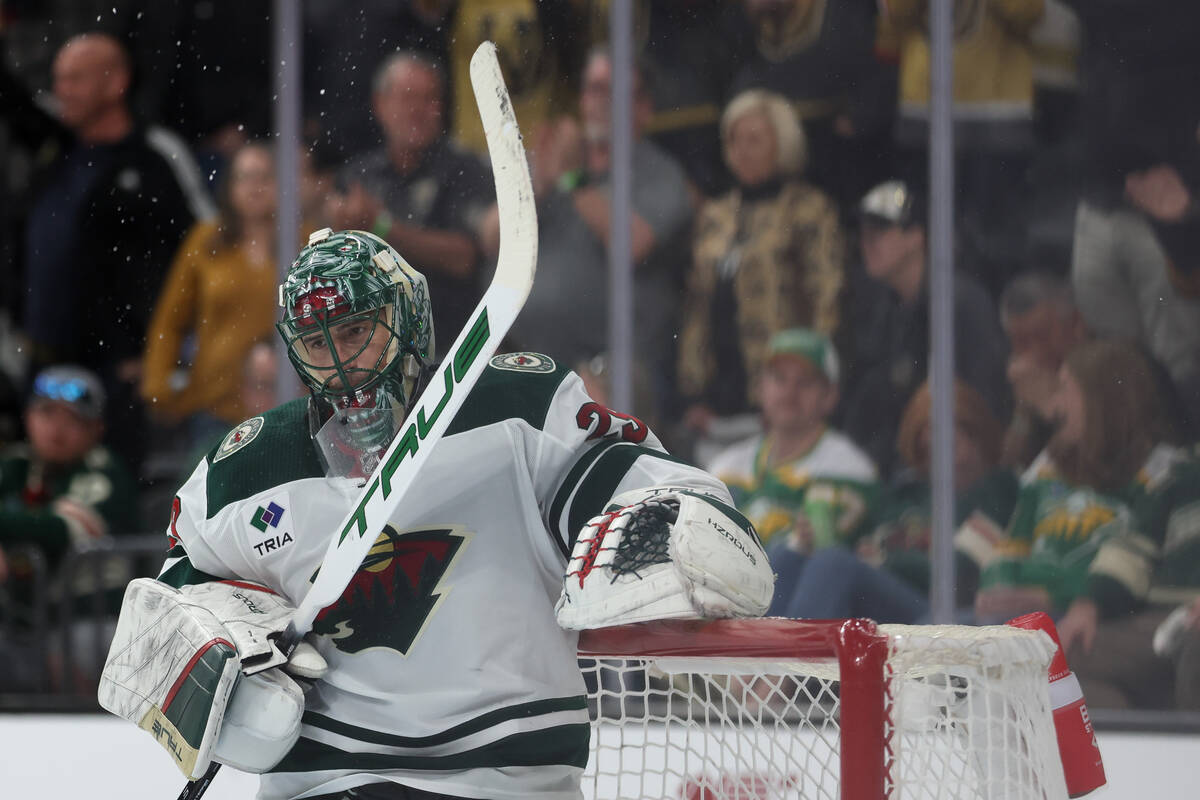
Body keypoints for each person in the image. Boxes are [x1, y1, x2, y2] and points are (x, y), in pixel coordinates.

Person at [97, 229, 773, 799]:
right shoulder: (246, 467)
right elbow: (169, 597)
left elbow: (640, 487)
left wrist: (667, 527)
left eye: (357, 330)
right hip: (325, 783)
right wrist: (219, 644)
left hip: (503, 780)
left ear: (409, 316)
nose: (340, 364)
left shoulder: (516, 406)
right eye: (315, 342)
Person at [0, 32, 214, 472]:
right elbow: (14, 102)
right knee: (39, 493)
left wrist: (161, 353)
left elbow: (208, 255)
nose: (61, 91)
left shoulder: (155, 156)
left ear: (116, 82)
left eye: (75, 79)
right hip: (43, 364)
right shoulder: (57, 146)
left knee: (112, 494)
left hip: (117, 376)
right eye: (58, 79)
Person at [489, 46, 694, 419]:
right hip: (537, 364)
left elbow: (632, 243)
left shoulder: (659, 173)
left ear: (643, 109)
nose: (599, 102)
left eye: (612, 92)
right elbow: (488, 239)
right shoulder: (559, 167)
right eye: (592, 90)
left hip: (618, 373)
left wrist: (573, 178)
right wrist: (533, 179)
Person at [975, 340, 1188, 628]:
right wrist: (998, 590)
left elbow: (1130, 568)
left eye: (1065, 389)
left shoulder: (1159, 475)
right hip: (1013, 615)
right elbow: (1012, 544)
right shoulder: (1048, 466)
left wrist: (1052, 596)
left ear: (1102, 400)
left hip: (1076, 617)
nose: (1058, 404)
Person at [677, 89, 845, 441]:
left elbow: (827, 303)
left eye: (755, 139)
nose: (742, 150)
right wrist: (693, 393)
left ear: (782, 143)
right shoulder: (715, 215)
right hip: (715, 407)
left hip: (782, 405)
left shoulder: (808, 210)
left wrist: (801, 396)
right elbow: (696, 307)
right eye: (735, 140)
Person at [839, 179, 1010, 477]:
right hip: (892, 469)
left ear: (916, 237)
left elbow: (982, 402)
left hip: (950, 473)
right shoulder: (882, 308)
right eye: (863, 233)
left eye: (879, 231)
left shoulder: (958, 304)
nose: (867, 243)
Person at [705, 329, 880, 616]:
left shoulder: (848, 466)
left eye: (805, 382)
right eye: (779, 379)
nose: (789, 392)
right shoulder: (725, 467)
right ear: (760, 387)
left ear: (830, 396)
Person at [327, 51, 493, 343]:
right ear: (380, 104)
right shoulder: (358, 175)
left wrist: (381, 229)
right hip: (373, 349)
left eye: (429, 99)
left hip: (451, 346)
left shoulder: (466, 170)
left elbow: (465, 257)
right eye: (407, 98)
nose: (417, 110)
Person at [0, 365, 137, 691]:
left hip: (92, 617)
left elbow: (57, 532)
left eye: (73, 419)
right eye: (47, 414)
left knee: (84, 645)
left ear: (96, 428)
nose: (57, 429)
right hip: (23, 621)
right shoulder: (16, 464)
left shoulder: (105, 473)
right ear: (29, 419)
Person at [140, 142, 284, 450]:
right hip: (214, 405)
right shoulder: (206, 240)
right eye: (244, 177)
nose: (254, 187)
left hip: (284, 401)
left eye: (264, 177)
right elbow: (170, 320)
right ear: (229, 186)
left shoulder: (299, 238)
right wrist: (159, 384)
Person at [855, 379, 1018, 618]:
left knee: (837, 566)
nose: (942, 457)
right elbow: (863, 552)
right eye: (929, 449)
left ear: (976, 434)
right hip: (882, 607)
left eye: (952, 441)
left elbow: (956, 574)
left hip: (938, 612)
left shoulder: (997, 488)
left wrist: (887, 560)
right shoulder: (905, 494)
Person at [997, 271, 1090, 470]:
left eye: (1042, 336)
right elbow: (1011, 465)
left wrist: (1052, 404)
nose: (1034, 353)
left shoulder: (1106, 368)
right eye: (1021, 342)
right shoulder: (1018, 376)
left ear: (1075, 324)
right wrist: (1024, 411)